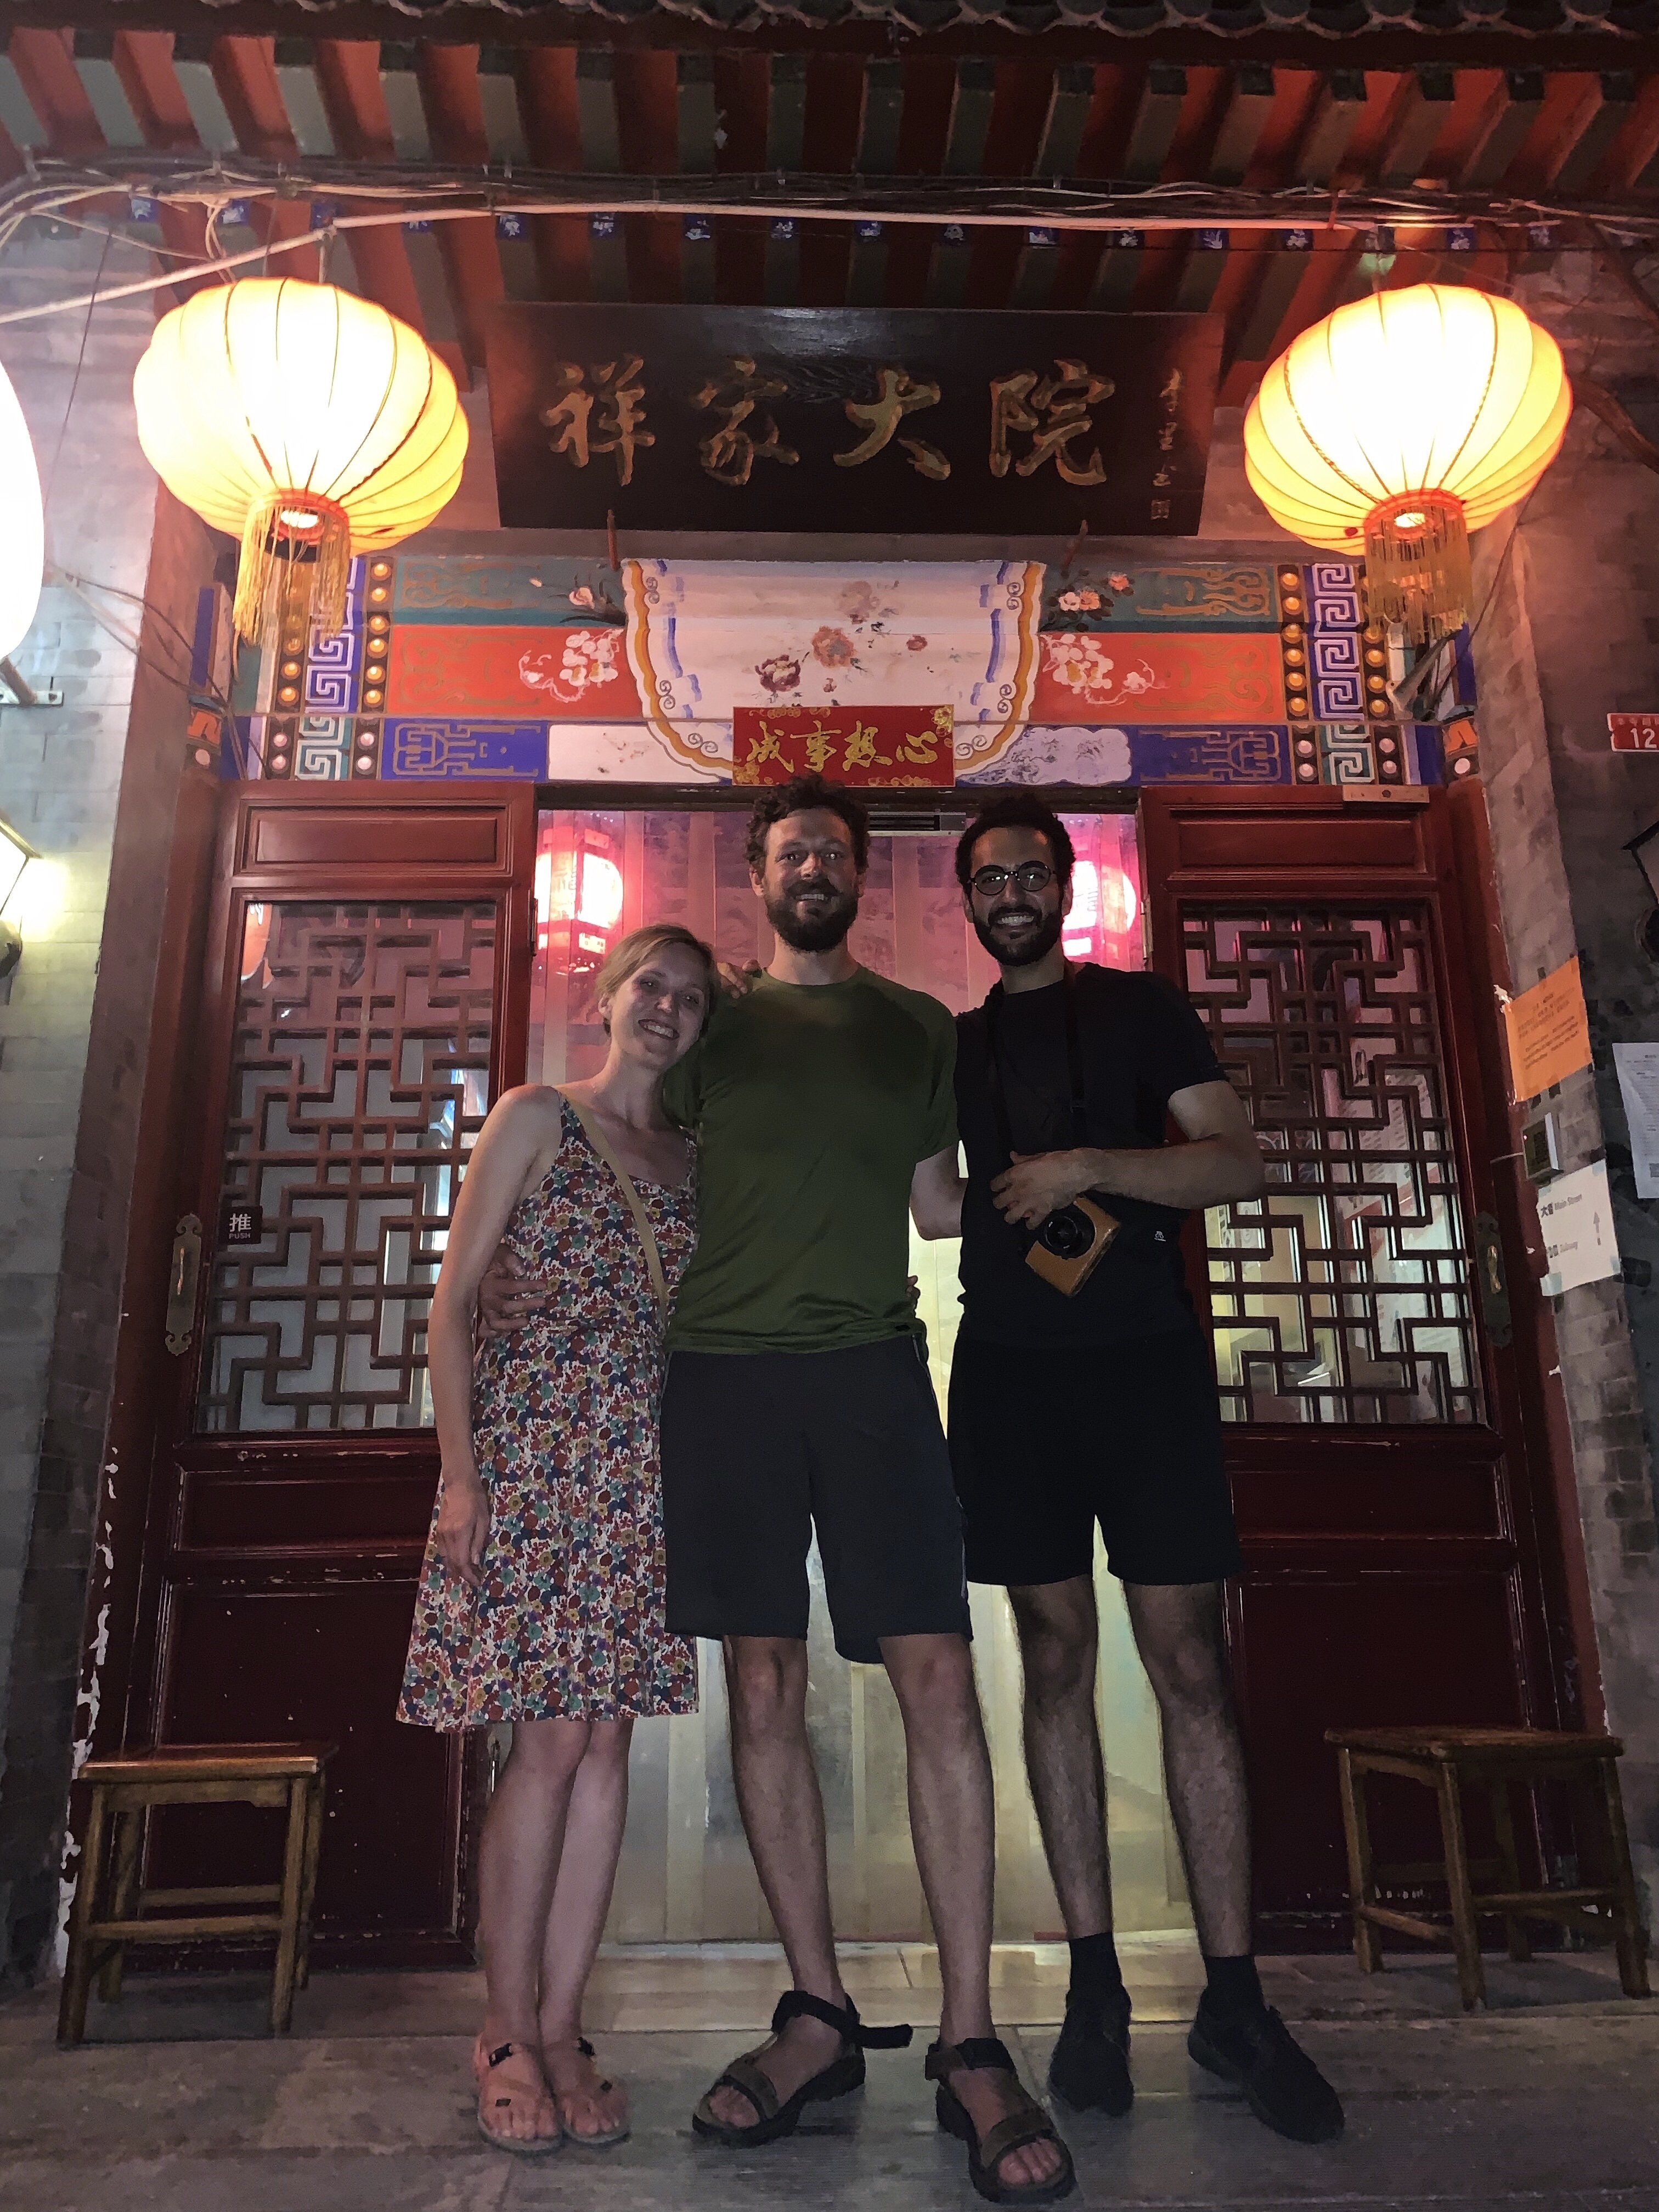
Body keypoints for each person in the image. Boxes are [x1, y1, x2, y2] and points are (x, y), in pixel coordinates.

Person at [483, 774, 1074, 2206]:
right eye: (791, 847)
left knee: (938, 1677)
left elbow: (935, 1202)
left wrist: (1076, 1182)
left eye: (835, 850)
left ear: (861, 878)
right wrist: (515, 1286)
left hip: (874, 1368)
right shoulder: (710, 1023)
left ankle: (971, 2036)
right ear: (759, 875)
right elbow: (628, 1144)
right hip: (721, 1380)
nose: (814, 864)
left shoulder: (917, 1026)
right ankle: (817, 2012)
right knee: (762, 1680)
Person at [910, 789, 1344, 2148]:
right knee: (1052, 1662)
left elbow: (1238, 1162)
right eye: (990, 878)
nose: (1013, 894)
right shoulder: (955, 1047)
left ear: (1065, 885)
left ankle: (1235, 1997)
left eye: (1032, 872)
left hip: (1146, 1367)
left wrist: (1090, 1166)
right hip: (1011, 1377)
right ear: (970, 901)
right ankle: (1092, 1985)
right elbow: (936, 1205)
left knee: (1189, 1661)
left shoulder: (1145, 1009)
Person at [398, 923, 715, 2157]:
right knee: (548, 1741)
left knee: (609, 1744)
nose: (668, 1009)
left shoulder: (694, 1157)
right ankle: (504, 2028)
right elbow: (451, 1305)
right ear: (608, 996)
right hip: (533, 1456)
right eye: (651, 986)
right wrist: (460, 1479)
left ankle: (567, 2025)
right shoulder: (538, 1117)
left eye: (692, 999)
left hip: (641, 1471)